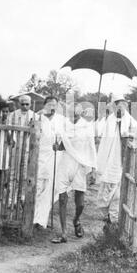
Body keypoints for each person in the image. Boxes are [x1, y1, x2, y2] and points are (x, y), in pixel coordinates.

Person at [51, 102, 97, 244]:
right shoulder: (64, 126)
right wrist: (56, 146)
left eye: (77, 114)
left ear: (82, 114)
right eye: (71, 114)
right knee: (63, 198)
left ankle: (76, 220)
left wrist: (93, 169)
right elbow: (61, 146)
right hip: (66, 162)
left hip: (80, 164)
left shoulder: (87, 127)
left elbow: (91, 147)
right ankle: (63, 233)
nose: (74, 117)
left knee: (80, 203)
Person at [96, 94, 137, 227]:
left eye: (123, 104)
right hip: (108, 158)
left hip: (121, 159)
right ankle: (106, 213)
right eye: (118, 104)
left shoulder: (130, 120)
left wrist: (129, 135)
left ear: (126, 106)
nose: (121, 106)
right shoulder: (109, 119)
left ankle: (113, 216)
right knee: (105, 188)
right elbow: (98, 131)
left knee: (117, 191)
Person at [33, 96, 65, 229]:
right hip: (41, 154)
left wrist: (60, 144)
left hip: (56, 156)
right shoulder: (38, 117)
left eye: (54, 105)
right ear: (45, 105)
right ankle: (33, 217)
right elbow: (33, 135)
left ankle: (41, 219)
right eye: (50, 104)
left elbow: (65, 137)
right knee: (38, 185)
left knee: (51, 188)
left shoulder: (61, 120)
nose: (52, 107)